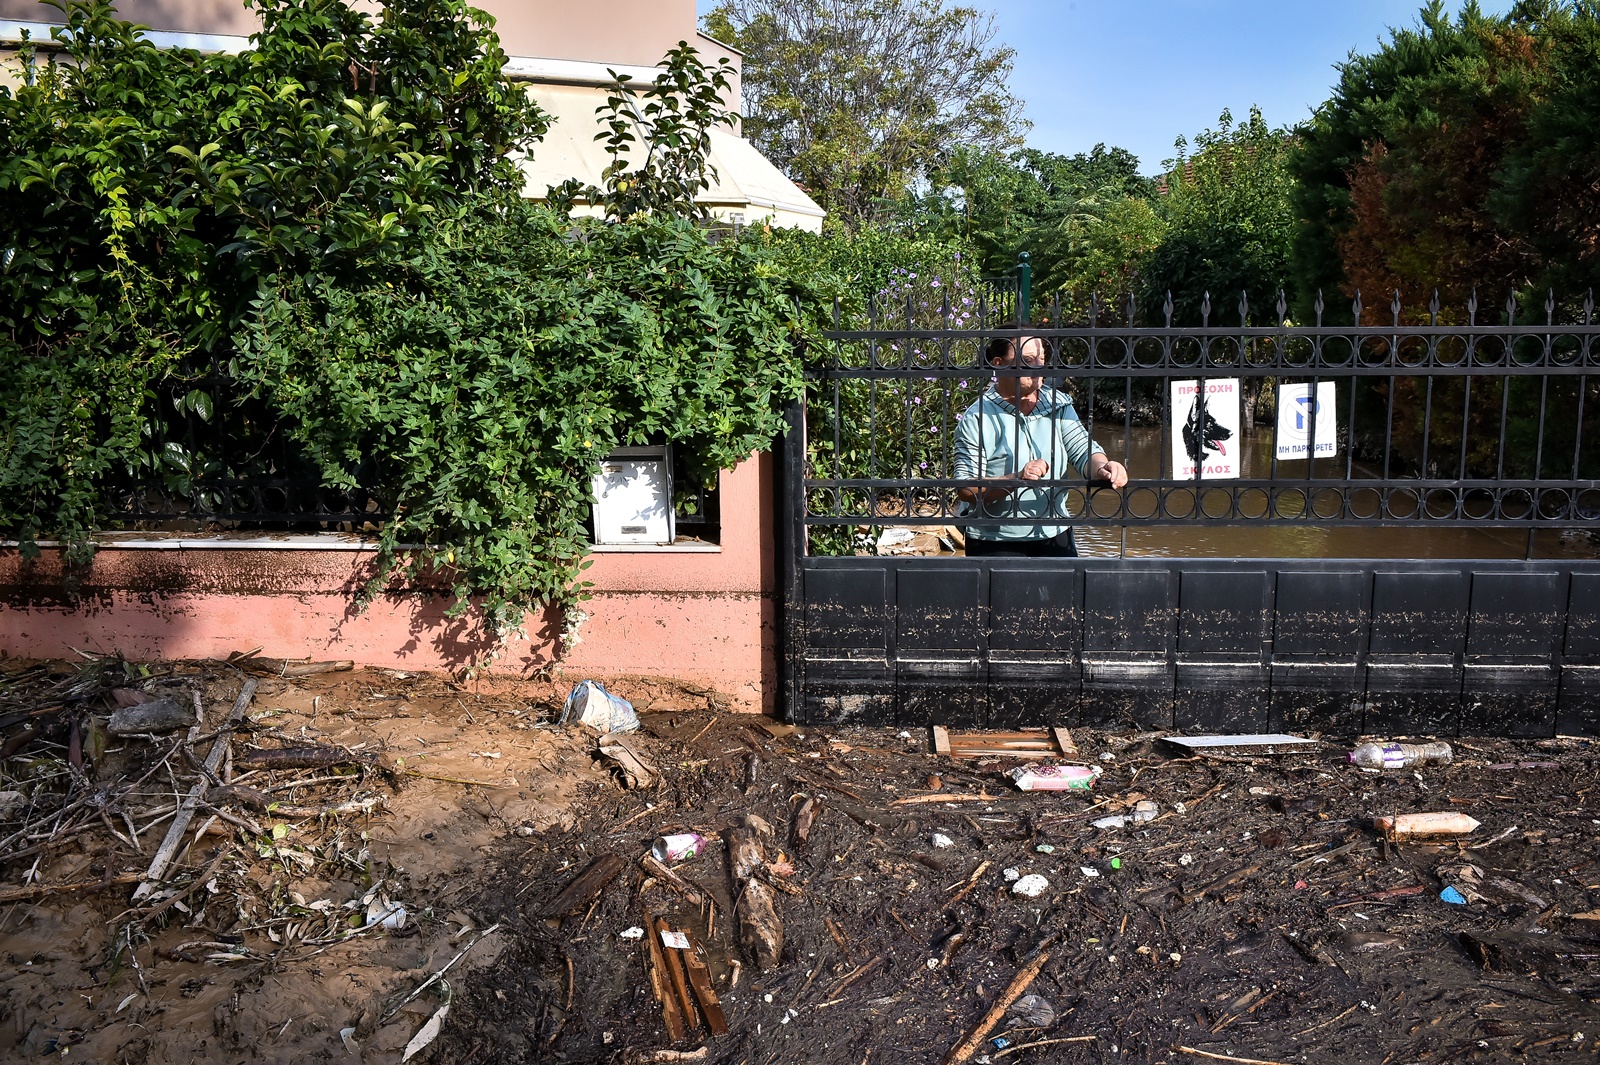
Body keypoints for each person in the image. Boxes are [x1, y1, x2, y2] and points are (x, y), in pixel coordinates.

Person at [952, 336, 1129, 556]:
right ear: (999, 364)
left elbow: (1083, 449)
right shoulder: (976, 417)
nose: (1038, 367)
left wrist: (1104, 466)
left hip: (1055, 532)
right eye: (1028, 360)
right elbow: (967, 488)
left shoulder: (1058, 404)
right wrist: (1016, 478)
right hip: (995, 539)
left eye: (1041, 359)